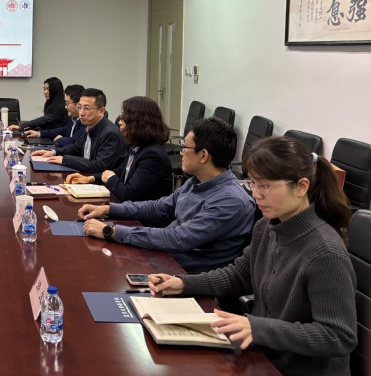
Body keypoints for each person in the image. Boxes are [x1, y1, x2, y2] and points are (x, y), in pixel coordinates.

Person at [149, 137, 356, 376]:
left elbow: (339, 336)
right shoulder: (267, 226)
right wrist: (184, 283)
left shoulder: (325, 252)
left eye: (265, 186)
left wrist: (257, 328)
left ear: (301, 186)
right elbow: (239, 275)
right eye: (252, 184)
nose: (256, 194)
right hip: (262, 356)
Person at [77, 117, 255, 274]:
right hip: (164, 259)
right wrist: (109, 209)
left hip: (184, 276)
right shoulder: (196, 181)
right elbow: (159, 207)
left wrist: (111, 231)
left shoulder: (230, 200)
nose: (181, 152)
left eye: (185, 147)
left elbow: (178, 239)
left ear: (203, 155)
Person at [65, 96, 172, 202]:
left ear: (138, 122)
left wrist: (110, 178)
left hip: (141, 212)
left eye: (124, 118)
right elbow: (120, 172)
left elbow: (128, 194)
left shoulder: (152, 155)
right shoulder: (137, 146)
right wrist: (90, 179)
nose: (120, 122)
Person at [30, 88, 125, 174]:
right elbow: (76, 148)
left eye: (87, 108)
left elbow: (99, 166)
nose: (81, 113)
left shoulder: (110, 133)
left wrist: (64, 160)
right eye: (79, 107)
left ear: (101, 111)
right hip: (85, 175)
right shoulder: (89, 126)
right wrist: (53, 152)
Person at [24, 83, 85, 148]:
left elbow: (74, 141)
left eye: (67, 103)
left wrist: (60, 140)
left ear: (78, 104)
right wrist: (39, 133)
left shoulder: (85, 122)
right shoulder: (72, 118)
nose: (65, 107)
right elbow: (64, 130)